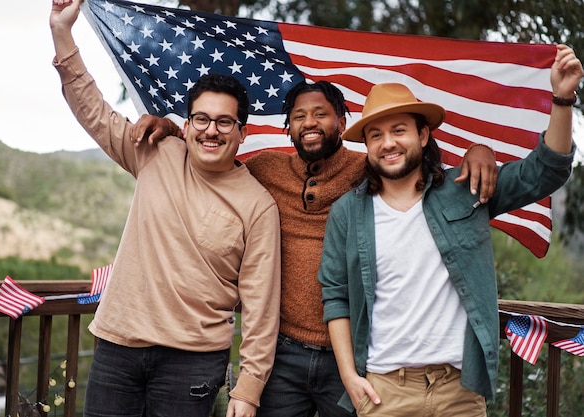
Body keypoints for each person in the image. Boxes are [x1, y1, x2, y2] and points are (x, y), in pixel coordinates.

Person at [134, 77, 497, 416]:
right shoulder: (262, 169)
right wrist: (170, 128)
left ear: (341, 123)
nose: (310, 122)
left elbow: (417, 171)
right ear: (287, 127)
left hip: (352, 356)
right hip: (282, 353)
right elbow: (213, 155)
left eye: (321, 114)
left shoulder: (368, 170)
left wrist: (477, 150)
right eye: (299, 116)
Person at [317, 45, 581, 417]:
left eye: (398, 130)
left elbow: (547, 170)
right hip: (385, 392)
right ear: (368, 147)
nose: (388, 142)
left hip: (459, 390)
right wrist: (348, 375)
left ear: (423, 136)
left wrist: (562, 98)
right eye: (375, 135)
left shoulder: (466, 188)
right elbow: (336, 296)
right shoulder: (347, 212)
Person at [49, 1, 282, 417]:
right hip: (117, 348)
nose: (212, 130)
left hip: (192, 363)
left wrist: (248, 389)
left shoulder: (258, 205)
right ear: (187, 124)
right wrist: (62, 32)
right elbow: (94, 111)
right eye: (202, 119)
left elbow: (262, 306)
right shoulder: (156, 153)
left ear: (242, 133)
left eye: (225, 122)